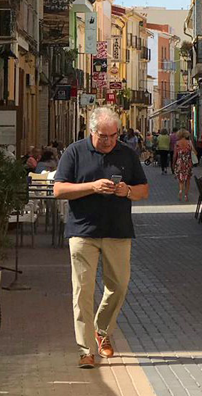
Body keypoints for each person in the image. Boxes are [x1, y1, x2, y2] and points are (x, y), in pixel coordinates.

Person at [53, 107, 149, 369]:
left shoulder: (127, 155)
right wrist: (92, 187)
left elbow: (143, 191)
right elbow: (59, 189)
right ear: (91, 131)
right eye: (102, 136)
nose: (108, 141)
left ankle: (102, 331)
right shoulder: (75, 152)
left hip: (118, 231)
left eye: (113, 135)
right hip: (83, 232)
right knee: (82, 291)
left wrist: (126, 190)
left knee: (118, 286)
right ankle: (85, 350)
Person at [173, 129, 194, 201]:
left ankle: (180, 190)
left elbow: (175, 155)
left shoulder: (177, 143)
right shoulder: (189, 143)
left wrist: (173, 163)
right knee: (187, 179)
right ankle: (186, 195)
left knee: (181, 179)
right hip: (187, 162)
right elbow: (194, 153)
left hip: (180, 162)